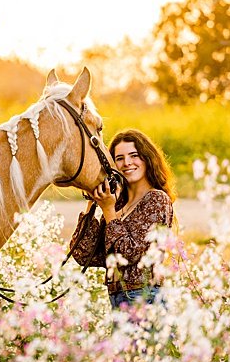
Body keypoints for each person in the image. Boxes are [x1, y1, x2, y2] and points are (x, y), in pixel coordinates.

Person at [71, 128, 176, 309]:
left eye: (134, 155)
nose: (127, 163)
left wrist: (108, 210)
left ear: (147, 159)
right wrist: (92, 202)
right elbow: (83, 254)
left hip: (145, 298)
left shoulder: (156, 199)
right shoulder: (117, 205)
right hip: (119, 300)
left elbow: (130, 253)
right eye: (119, 158)